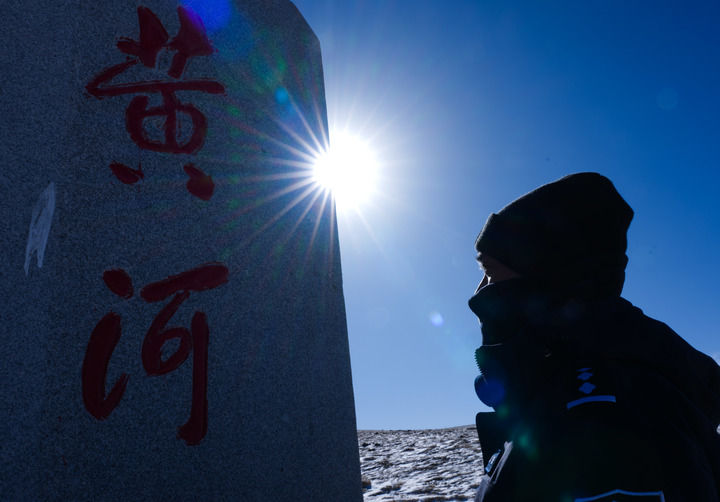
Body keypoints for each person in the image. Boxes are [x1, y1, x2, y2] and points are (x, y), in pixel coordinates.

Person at [468, 172, 720, 501]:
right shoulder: (578, 393)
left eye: (490, 274)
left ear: (547, 282)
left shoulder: (593, 421)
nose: (479, 293)